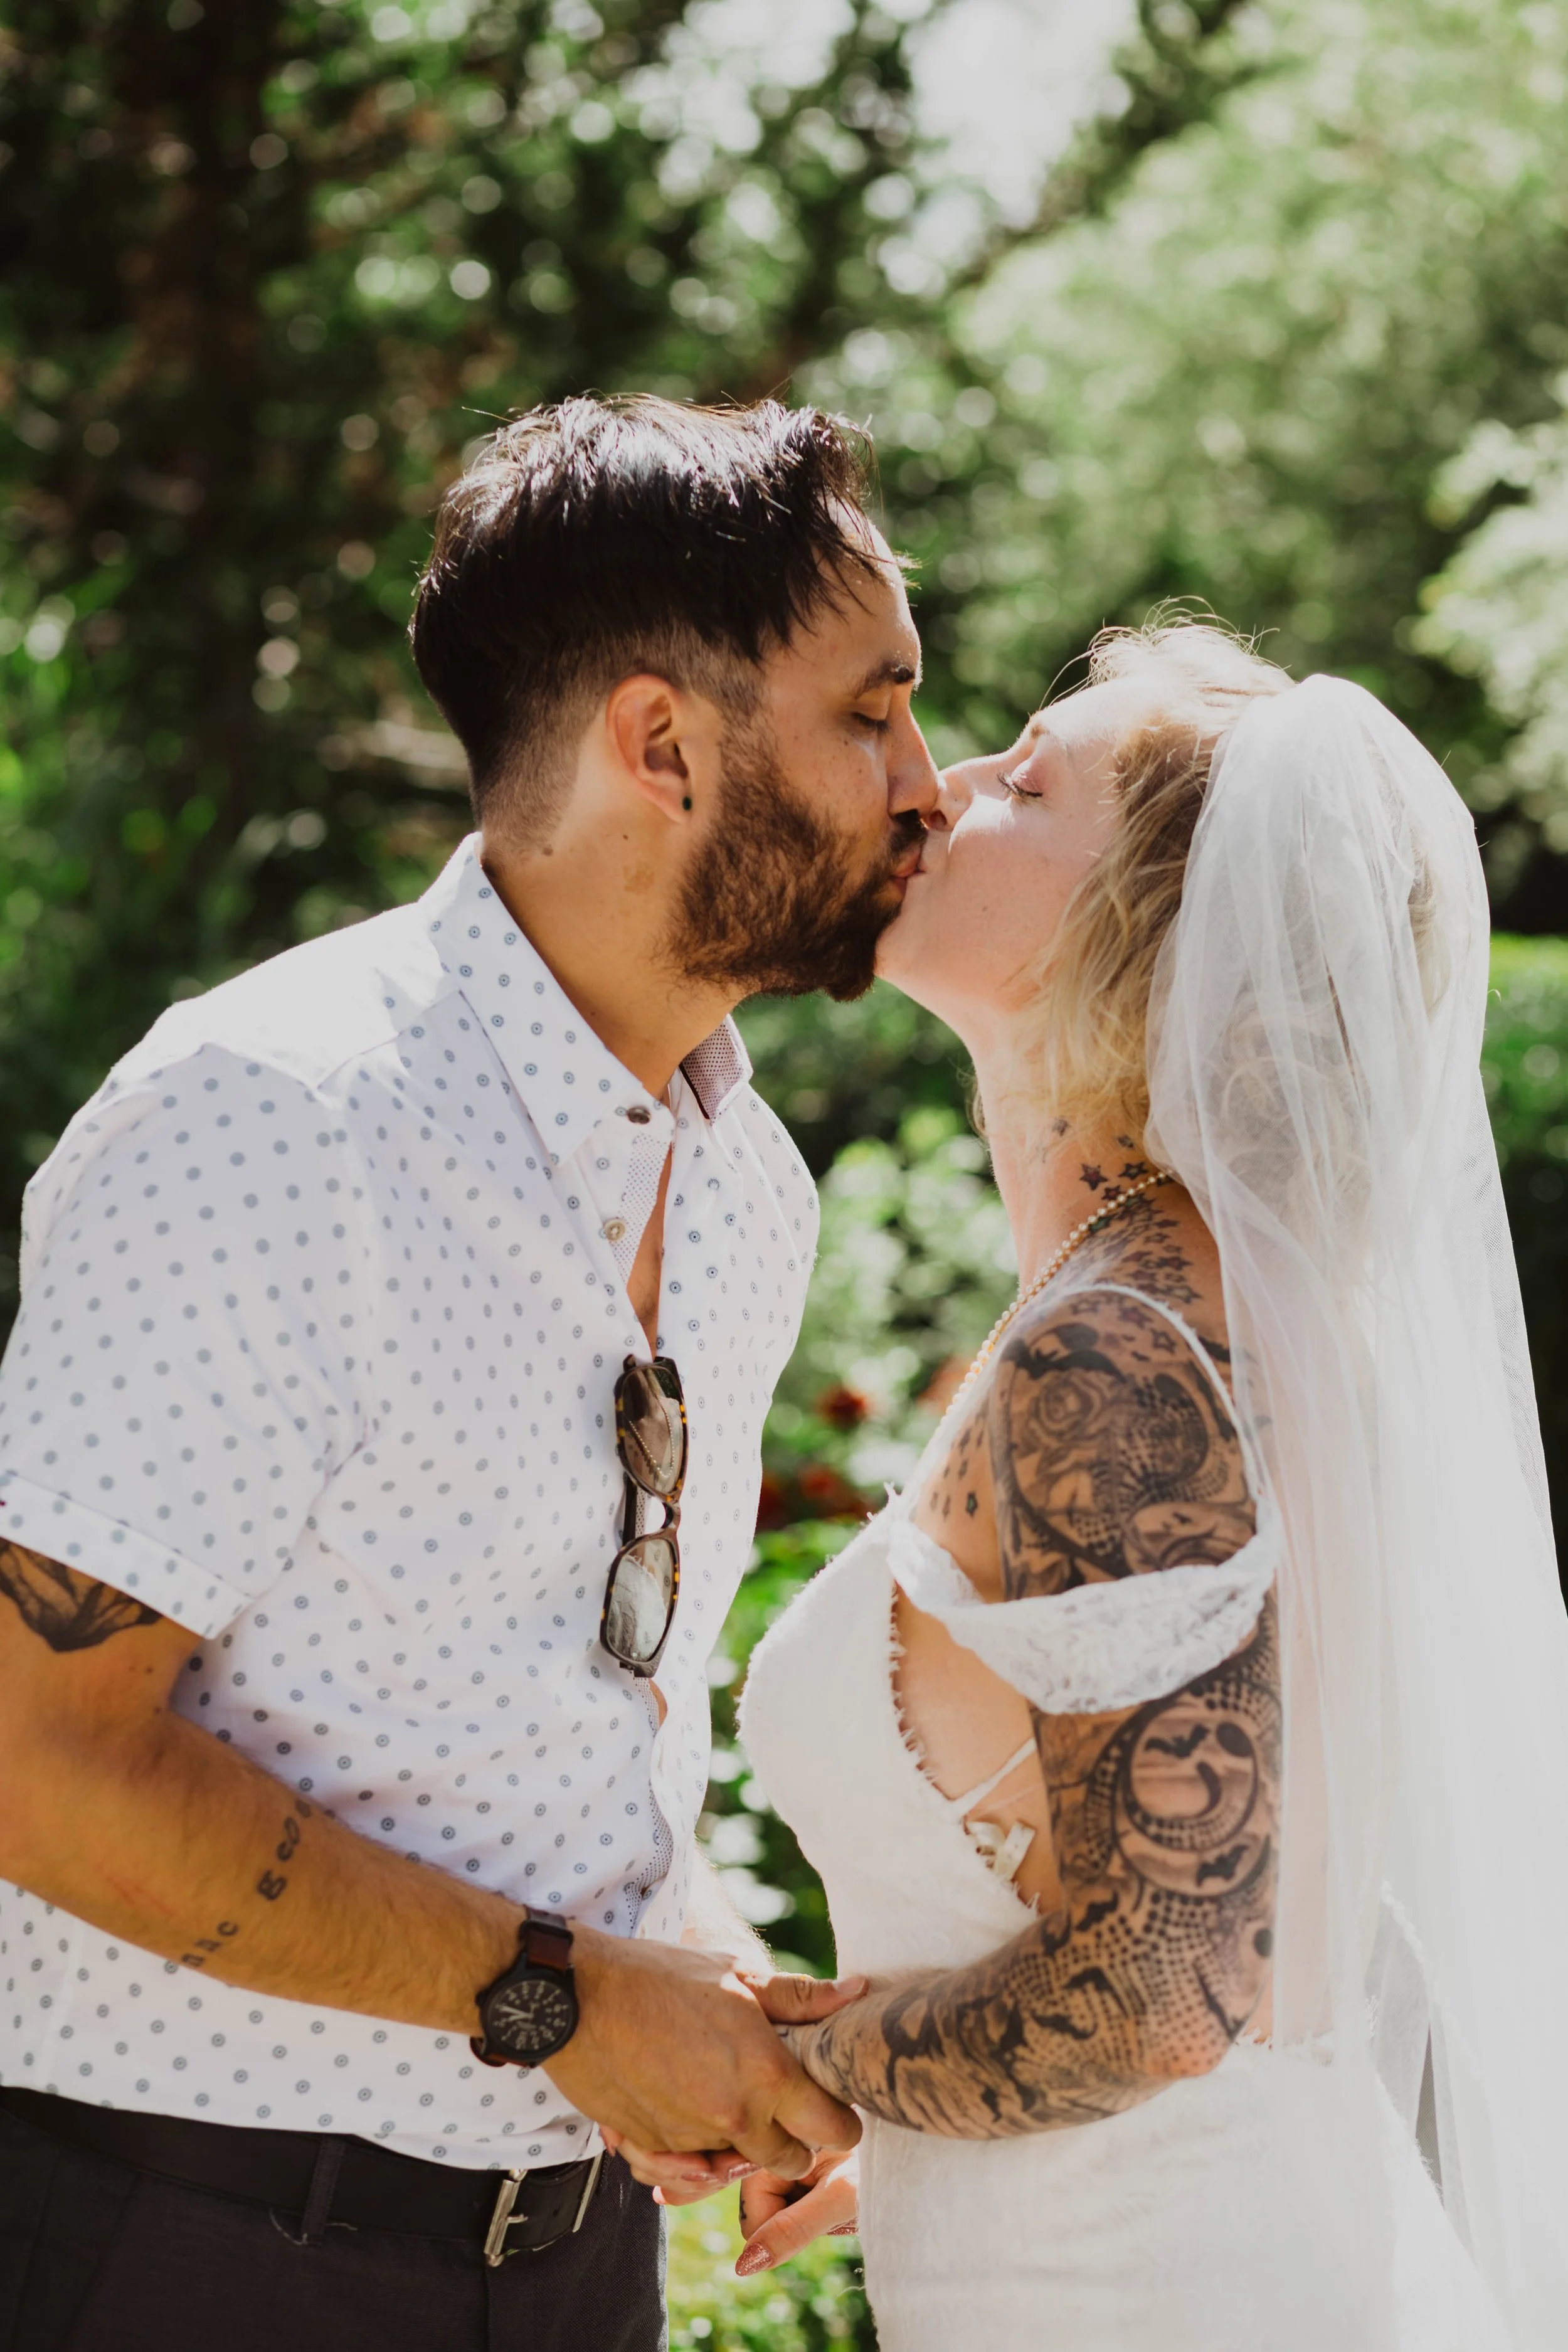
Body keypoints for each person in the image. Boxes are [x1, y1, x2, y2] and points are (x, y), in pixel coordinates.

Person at [0, 396, 941, 2351]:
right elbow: (36, 1761)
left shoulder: (747, 1185)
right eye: (872, 712)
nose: (923, 784)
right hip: (190, 2254)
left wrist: (697, 1985)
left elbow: (544, 1719)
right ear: (659, 744)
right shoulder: (274, 1114)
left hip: (573, 2268)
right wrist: (573, 1999)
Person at [618, 620, 1568, 2348]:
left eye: (1026, 776)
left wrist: (782, 2051)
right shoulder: (1179, 1309)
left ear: (1143, 924)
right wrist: (916, 2126)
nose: (939, 780)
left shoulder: (1124, 1357)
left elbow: (1162, 1990)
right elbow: (1245, 1932)